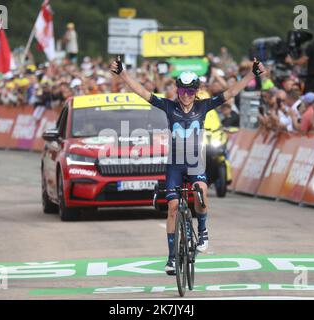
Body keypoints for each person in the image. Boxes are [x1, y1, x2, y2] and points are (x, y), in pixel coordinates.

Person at [110, 56, 265, 275]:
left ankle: (202, 231)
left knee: (201, 192)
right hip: (174, 164)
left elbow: (230, 93)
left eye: (190, 92)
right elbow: (142, 93)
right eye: (182, 91)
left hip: (194, 163)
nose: (185, 96)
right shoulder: (168, 105)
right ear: (177, 90)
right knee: (173, 208)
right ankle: (172, 259)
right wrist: (123, 74)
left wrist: (252, 74)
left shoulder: (204, 106)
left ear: (196, 92)